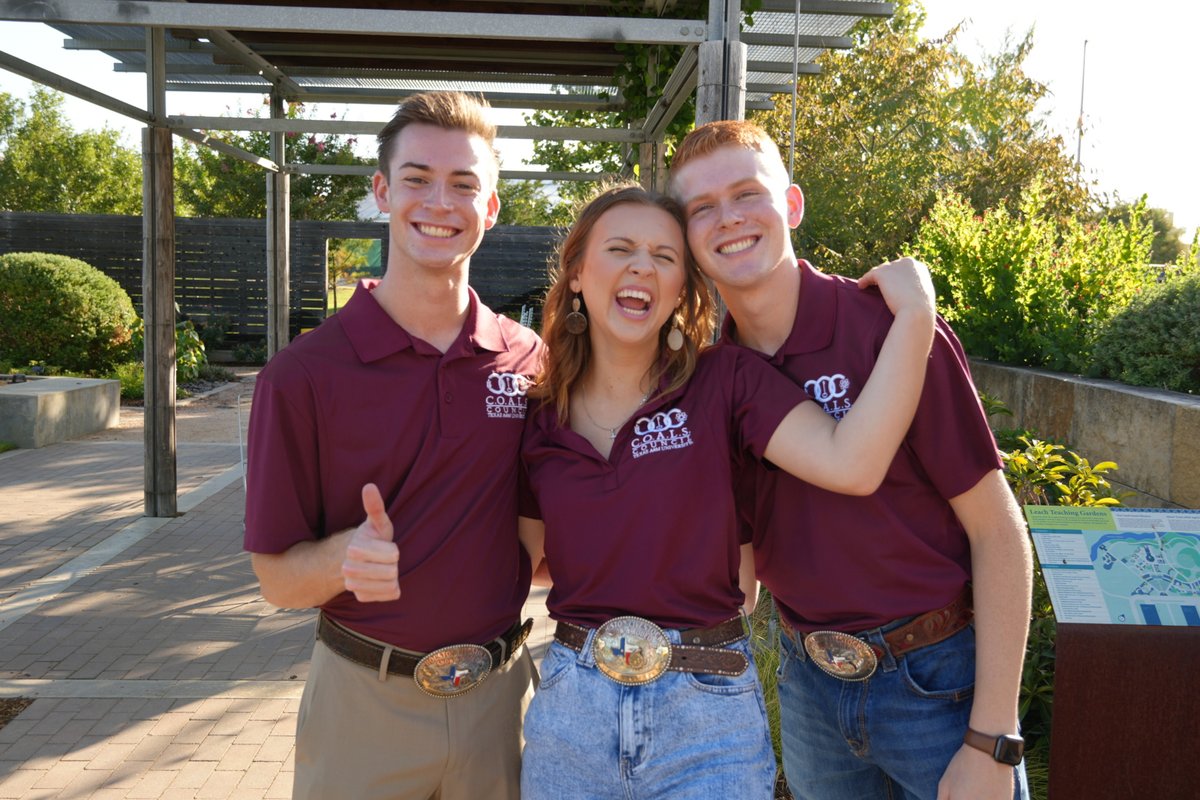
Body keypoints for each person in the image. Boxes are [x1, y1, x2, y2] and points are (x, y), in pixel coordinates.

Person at [516, 183, 937, 799]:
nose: (642, 266)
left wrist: (916, 319)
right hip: (570, 714)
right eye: (621, 248)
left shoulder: (726, 381)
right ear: (577, 272)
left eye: (665, 257)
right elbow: (515, 571)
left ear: (682, 289)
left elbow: (853, 463)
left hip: (707, 715)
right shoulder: (539, 415)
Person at [669, 120, 1035, 800]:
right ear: (688, 237)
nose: (729, 219)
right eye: (702, 208)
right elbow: (739, 581)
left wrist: (993, 737)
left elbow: (996, 528)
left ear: (793, 204)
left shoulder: (888, 329)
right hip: (809, 684)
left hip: (938, 681)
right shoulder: (711, 378)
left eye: (748, 193)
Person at [243, 91, 542, 800]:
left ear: (491, 207)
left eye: (465, 184)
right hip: (362, 706)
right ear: (382, 192)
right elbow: (277, 581)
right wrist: (344, 560)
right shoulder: (303, 375)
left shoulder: (529, 360)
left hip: (499, 703)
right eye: (416, 179)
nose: (440, 201)